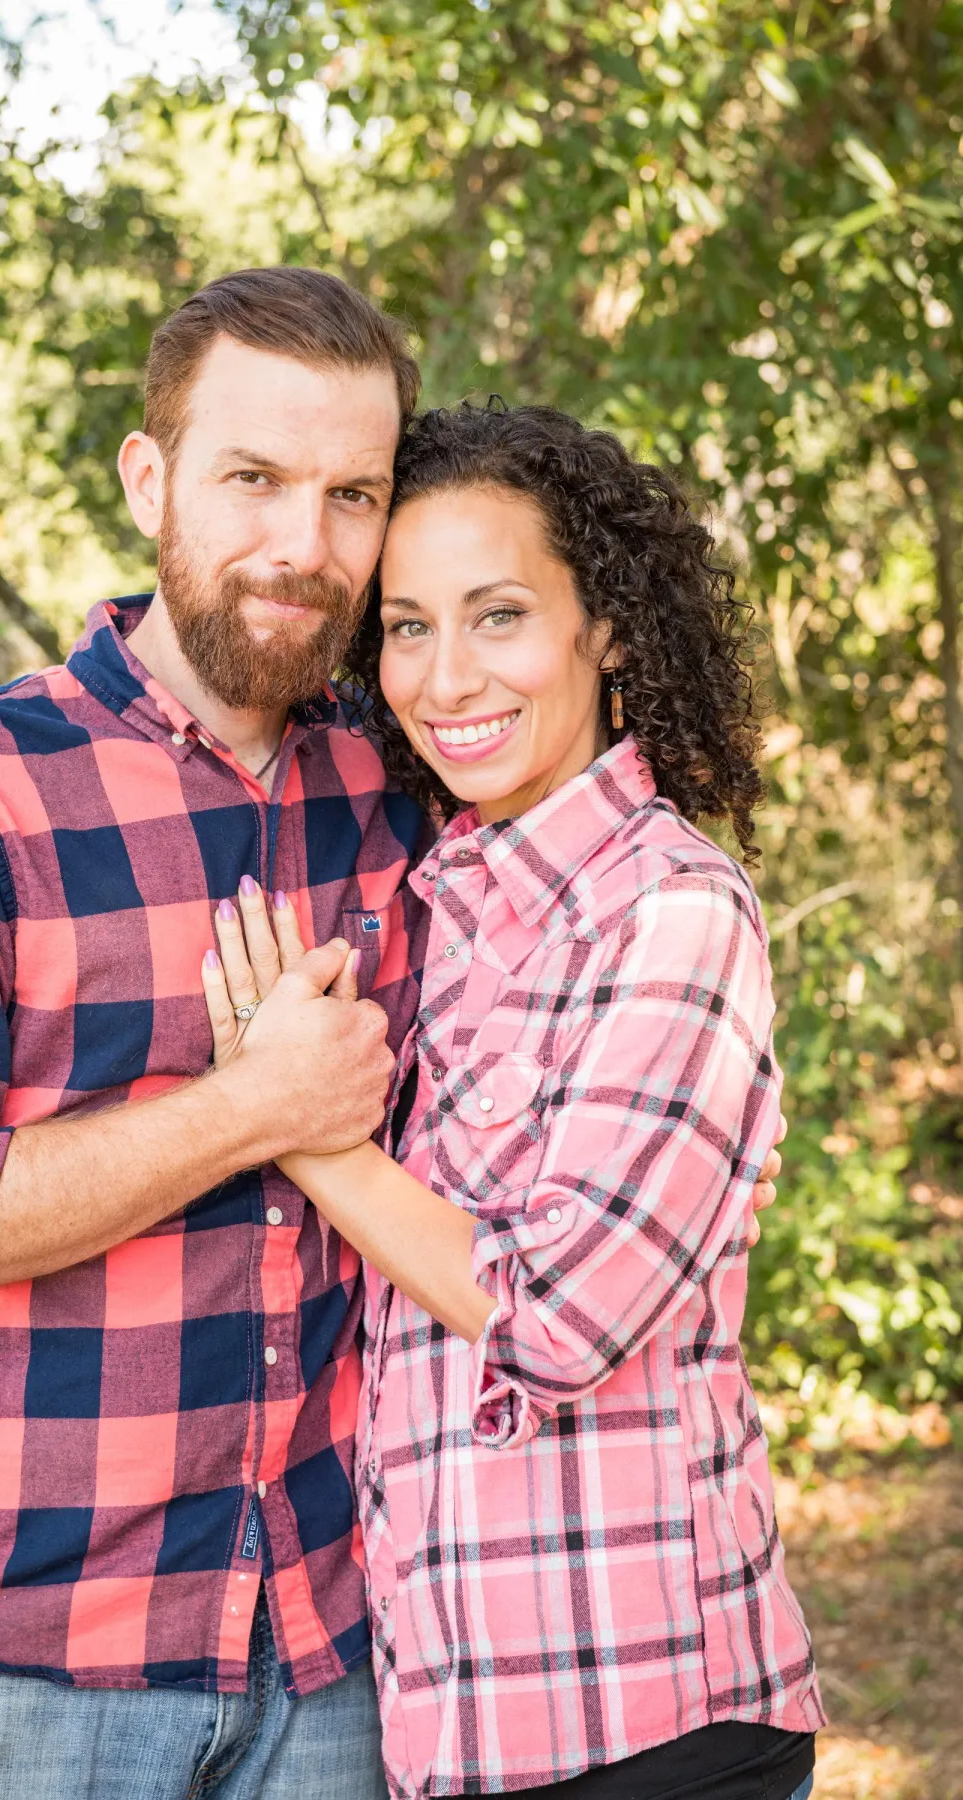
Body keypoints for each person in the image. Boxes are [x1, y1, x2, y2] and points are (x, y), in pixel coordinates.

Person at [0, 269, 780, 1800]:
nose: (302, 544)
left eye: (350, 496)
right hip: (15, 1672)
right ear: (151, 479)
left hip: (333, 1672)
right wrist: (252, 1109)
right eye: (252, 478)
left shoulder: (408, 795)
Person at [200, 402, 823, 1800]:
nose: (446, 675)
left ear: (608, 628)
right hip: (460, 1725)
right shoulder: (443, 902)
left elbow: (559, 1316)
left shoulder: (673, 907)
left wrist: (293, 1120)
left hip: (644, 1720)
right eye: (407, 627)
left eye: (499, 615)